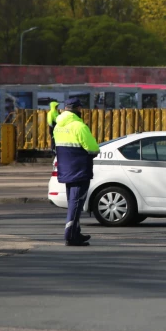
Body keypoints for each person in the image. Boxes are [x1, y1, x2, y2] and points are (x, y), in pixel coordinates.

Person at [53, 98, 99, 247]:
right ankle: (71, 236)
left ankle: (76, 232)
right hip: (79, 169)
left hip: (65, 170)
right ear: (77, 109)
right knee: (76, 204)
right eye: (80, 108)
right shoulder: (79, 126)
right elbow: (93, 148)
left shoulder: (58, 126)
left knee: (73, 202)